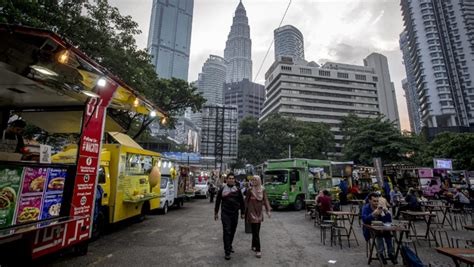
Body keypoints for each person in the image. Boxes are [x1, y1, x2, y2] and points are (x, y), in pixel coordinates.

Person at [214, 173, 245, 260]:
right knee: (227, 231)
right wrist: (216, 212)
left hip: (235, 214)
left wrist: (243, 212)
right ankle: (227, 252)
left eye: (232, 178)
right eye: (229, 178)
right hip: (225, 214)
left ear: (234, 180)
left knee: (232, 231)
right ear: (226, 180)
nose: (231, 180)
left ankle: (229, 245)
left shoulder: (238, 190)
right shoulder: (222, 189)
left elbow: (242, 202)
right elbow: (217, 201)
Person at [362, 192, 397, 265]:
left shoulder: (380, 207)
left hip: (381, 228)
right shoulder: (366, 208)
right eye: (374, 201)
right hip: (370, 230)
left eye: (377, 201)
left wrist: (386, 212)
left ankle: (390, 253)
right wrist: (373, 214)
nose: (376, 203)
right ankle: (380, 253)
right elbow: (364, 220)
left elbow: (388, 221)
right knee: (379, 235)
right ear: (369, 201)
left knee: (388, 235)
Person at [244, 175, 271, 258]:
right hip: (251, 213)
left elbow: (265, 200)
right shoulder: (250, 190)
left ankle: (253, 245)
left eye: (256, 180)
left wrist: (268, 210)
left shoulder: (263, 189)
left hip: (259, 213)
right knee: (255, 232)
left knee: (256, 231)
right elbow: (246, 201)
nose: (254, 181)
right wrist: (243, 212)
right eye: (253, 180)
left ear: (259, 181)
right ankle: (258, 250)